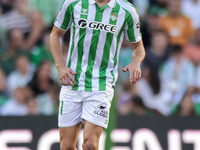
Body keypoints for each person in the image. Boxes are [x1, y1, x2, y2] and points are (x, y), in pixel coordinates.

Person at [50, 0, 145, 149]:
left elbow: (138, 46)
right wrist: (60, 67)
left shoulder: (127, 10)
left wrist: (136, 61)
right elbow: (55, 34)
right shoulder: (73, 3)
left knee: (90, 144)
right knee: (66, 146)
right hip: (72, 81)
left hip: (101, 84)